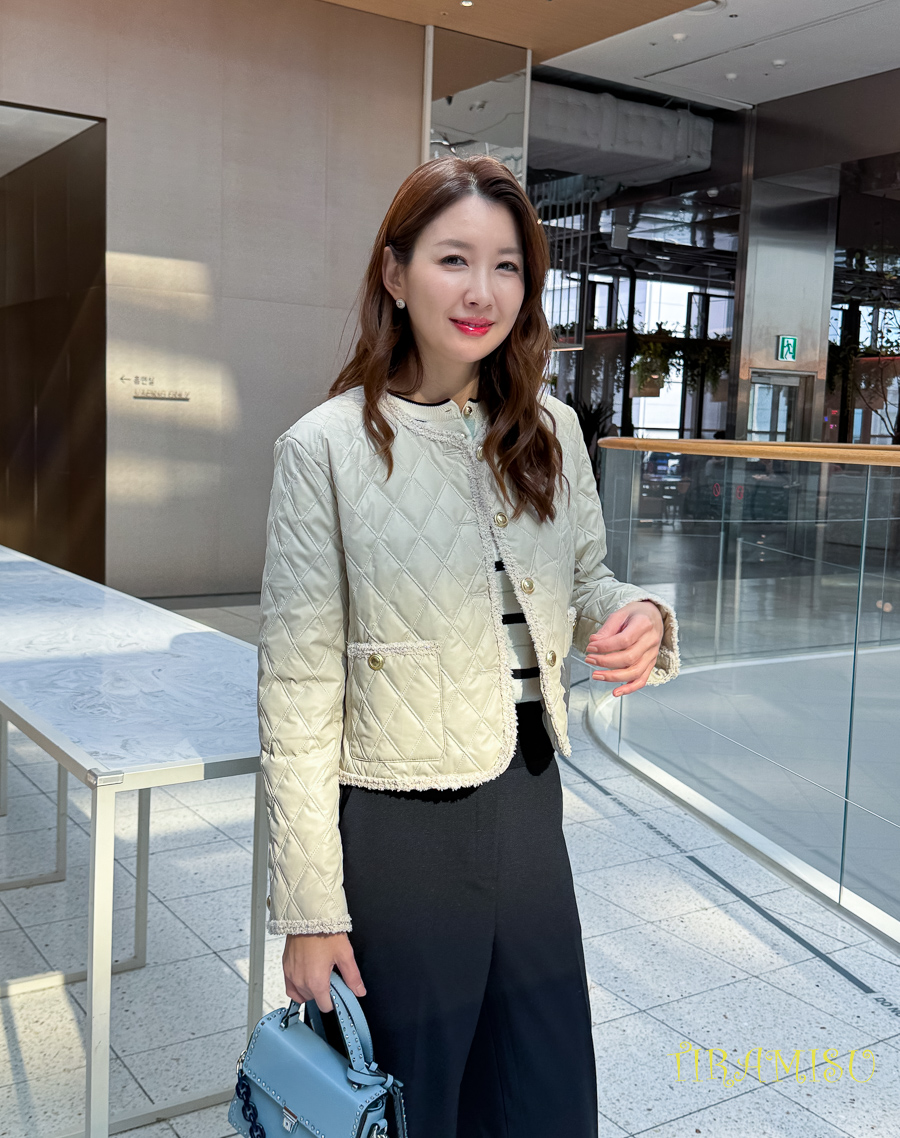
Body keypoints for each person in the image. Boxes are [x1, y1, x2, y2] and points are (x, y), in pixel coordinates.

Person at [257, 156, 680, 1138]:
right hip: (400, 826)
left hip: (529, 803)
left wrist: (643, 615)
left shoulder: (550, 430)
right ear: (395, 274)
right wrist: (311, 909)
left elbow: (586, 582)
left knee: (543, 1092)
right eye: (454, 259)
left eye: (507, 265)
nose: (482, 290)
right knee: (411, 1098)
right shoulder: (324, 449)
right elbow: (296, 692)